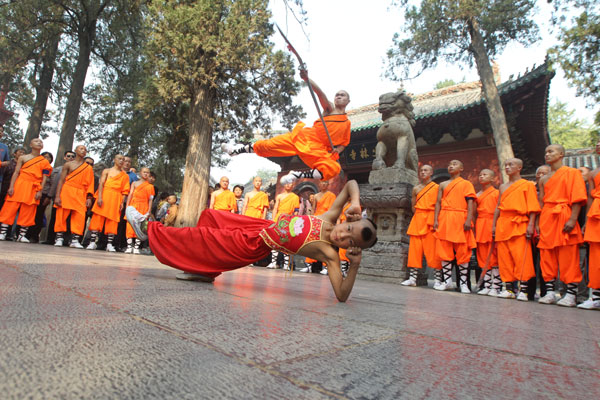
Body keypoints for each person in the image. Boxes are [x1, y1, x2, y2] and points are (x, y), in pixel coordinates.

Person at [126, 179, 377, 302]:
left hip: (256, 243)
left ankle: (148, 230)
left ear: (351, 248)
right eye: (349, 228)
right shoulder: (329, 217)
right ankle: (202, 267)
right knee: (211, 217)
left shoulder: (329, 255)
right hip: (258, 225)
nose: (342, 235)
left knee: (205, 237)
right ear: (347, 219)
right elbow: (352, 183)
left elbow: (342, 295)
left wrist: (354, 265)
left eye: (348, 241)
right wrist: (355, 201)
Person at [222, 70, 351, 184]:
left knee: (333, 168)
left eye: (342, 95)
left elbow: (344, 143)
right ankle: (236, 151)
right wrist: (307, 79)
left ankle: (297, 175)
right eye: (337, 95)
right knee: (268, 145)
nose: (338, 96)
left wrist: (338, 151)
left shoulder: (346, 123)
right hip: (302, 137)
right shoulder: (330, 109)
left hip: (317, 149)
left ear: (348, 101)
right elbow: (320, 93)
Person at [537, 144, 587, 307]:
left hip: (564, 213)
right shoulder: (544, 178)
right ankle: (550, 292)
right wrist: (538, 223)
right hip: (547, 217)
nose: (547, 154)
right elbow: (542, 202)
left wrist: (573, 219)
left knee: (568, 255)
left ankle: (570, 294)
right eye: (546, 151)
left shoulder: (572, 173)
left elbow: (578, 198)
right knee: (547, 255)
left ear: (561, 154)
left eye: (551, 151)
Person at [491, 159, 540, 301]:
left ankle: (523, 290)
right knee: (504, 257)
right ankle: (509, 289)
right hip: (503, 223)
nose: (507, 167)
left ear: (519, 167)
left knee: (521, 257)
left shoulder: (527, 185)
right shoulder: (502, 187)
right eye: (505, 165)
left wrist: (531, 225)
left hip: (519, 222)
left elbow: (532, 207)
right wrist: (494, 225)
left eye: (510, 165)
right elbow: (498, 207)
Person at [433, 160, 476, 293]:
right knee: (444, 251)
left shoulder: (466, 184)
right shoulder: (443, 184)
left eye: (455, 164)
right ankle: (447, 282)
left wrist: (469, 219)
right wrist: (436, 219)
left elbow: (470, 203)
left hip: (460, 217)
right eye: (449, 164)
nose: (451, 165)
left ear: (461, 168)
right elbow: (438, 203)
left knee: (462, 251)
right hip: (445, 217)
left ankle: (463, 283)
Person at [0, 138, 52, 242]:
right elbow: (16, 172)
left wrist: (40, 190)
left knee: (29, 209)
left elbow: (45, 177)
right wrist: (11, 186)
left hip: (34, 186)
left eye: (41, 142)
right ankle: (2, 232)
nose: (39, 142)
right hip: (20, 183)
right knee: (10, 207)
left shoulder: (44, 161)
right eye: (36, 141)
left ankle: (22, 234)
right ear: (30, 145)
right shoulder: (23, 158)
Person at [402, 165, 441, 287]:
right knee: (414, 250)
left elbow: (439, 205)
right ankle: (412, 279)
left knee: (432, 251)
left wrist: (435, 219)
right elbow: (413, 206)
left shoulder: (437, 187)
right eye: (421, 170)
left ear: (431, 172)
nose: (423, 172)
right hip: (418, 218)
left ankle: (438, 280)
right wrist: (420, 214)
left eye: (426, 170)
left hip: (430, 219)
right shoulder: (416, 188)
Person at [52, 145, 95, 248]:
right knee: (62, 213)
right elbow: (61, 180)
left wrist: (89, 198)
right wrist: (57, 196)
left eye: (85, 149)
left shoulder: (88, 168)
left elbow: (90, 183)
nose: (83, 150)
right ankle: (59, 237)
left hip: (81, 192)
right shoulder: (68, 165)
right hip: (67, 189)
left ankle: (75, 240)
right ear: (75, 150)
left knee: (79, 215)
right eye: (81, 148)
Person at [86, 154, 130, 252]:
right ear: (114, 160)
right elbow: (101, 184)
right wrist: (100, 197)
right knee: (97, 218)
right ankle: (92, 242)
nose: (121, 161)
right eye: (119, 159)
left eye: (123, 159)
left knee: (113, 220)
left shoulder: (125, 176)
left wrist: (122, 202)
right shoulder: (107, 171)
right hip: (105, 194)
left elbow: (125, 190)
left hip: (116, 197)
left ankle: (109, 244)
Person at [579, 139, 600, 309]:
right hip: (595, 215)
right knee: (595, 258)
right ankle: (595, 296)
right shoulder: (593, 174)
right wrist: (586, 222)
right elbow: (591, 199)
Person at [473, 169, 500, 296]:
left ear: (493, 178)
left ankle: (496, 286)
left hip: (491, 223)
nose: (481, 176)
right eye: (480, 174)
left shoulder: (497, 193)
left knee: (493, 256)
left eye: (485, 175)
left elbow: (498, 211)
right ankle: (487, 285)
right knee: (483, 257)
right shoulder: (477, 194)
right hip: (480, 224)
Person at [43, 150, 76, 245]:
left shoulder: (77, 170)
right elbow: (54, 184)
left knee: (69, 220)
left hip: (72, 197)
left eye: (72, 156)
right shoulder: (57, 170)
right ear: (65, 157)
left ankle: (65, 240)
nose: (70, 158)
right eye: (68, 156)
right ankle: (50, 239)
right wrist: (50, 196)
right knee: (54, 218)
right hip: (58, 196)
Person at [267, 181, 300, 270]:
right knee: (275, 240)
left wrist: (294, 222)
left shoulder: (295, 197)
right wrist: (273, 220)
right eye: (287, 183)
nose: (288, 185)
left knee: (286, 242)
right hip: (279, 218)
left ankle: (286, 264)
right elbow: (275, 208)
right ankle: (273, 262)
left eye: (290, 183)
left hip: (289, 219)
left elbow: (296, 210)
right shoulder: (279, 196)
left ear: (293, 185)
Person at [308, 180, 337, 275]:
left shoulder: (331, 196)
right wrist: (311, 219)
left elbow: (333, 209)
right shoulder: (316, 196)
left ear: (328, 185)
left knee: (326, 242)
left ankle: (326, 266)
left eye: (326, 183)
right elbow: (313, 208)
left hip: (327, 219)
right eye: (322, 182)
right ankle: (309, 265)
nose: (324, 184)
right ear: (319, 184)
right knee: (313, 241)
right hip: (317, 218)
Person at [125, 167, 155, 254]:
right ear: (140, 173)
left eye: (148, 173)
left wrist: (149, 210)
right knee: (130, 226)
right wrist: (127, 206)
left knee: (140, 227)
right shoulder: (134, 183)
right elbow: (130, 194)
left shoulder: (150, 186)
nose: (146, 174)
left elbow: (150, 199)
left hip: (144, 207)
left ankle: (136, 247)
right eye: (144, 172)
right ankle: (129, 246)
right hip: (133, 206)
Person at [26, 151, 54, 243]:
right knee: (28, 213)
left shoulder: (52, 170)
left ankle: (34, 235)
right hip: (31, 192)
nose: (46, 158)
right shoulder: (35, 167)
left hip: (44, 194)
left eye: (48, 157)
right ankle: (24, 234)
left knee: (39, 215)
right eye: (44, 156)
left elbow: (53, 185)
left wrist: (49, 197)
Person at [0, 147, 26, 215]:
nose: (22, 154)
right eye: (20, 152)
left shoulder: (25, 166)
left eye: (23, 153)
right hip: (5, 188)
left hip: (19, 190)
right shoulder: (8, 164)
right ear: (14, 154)